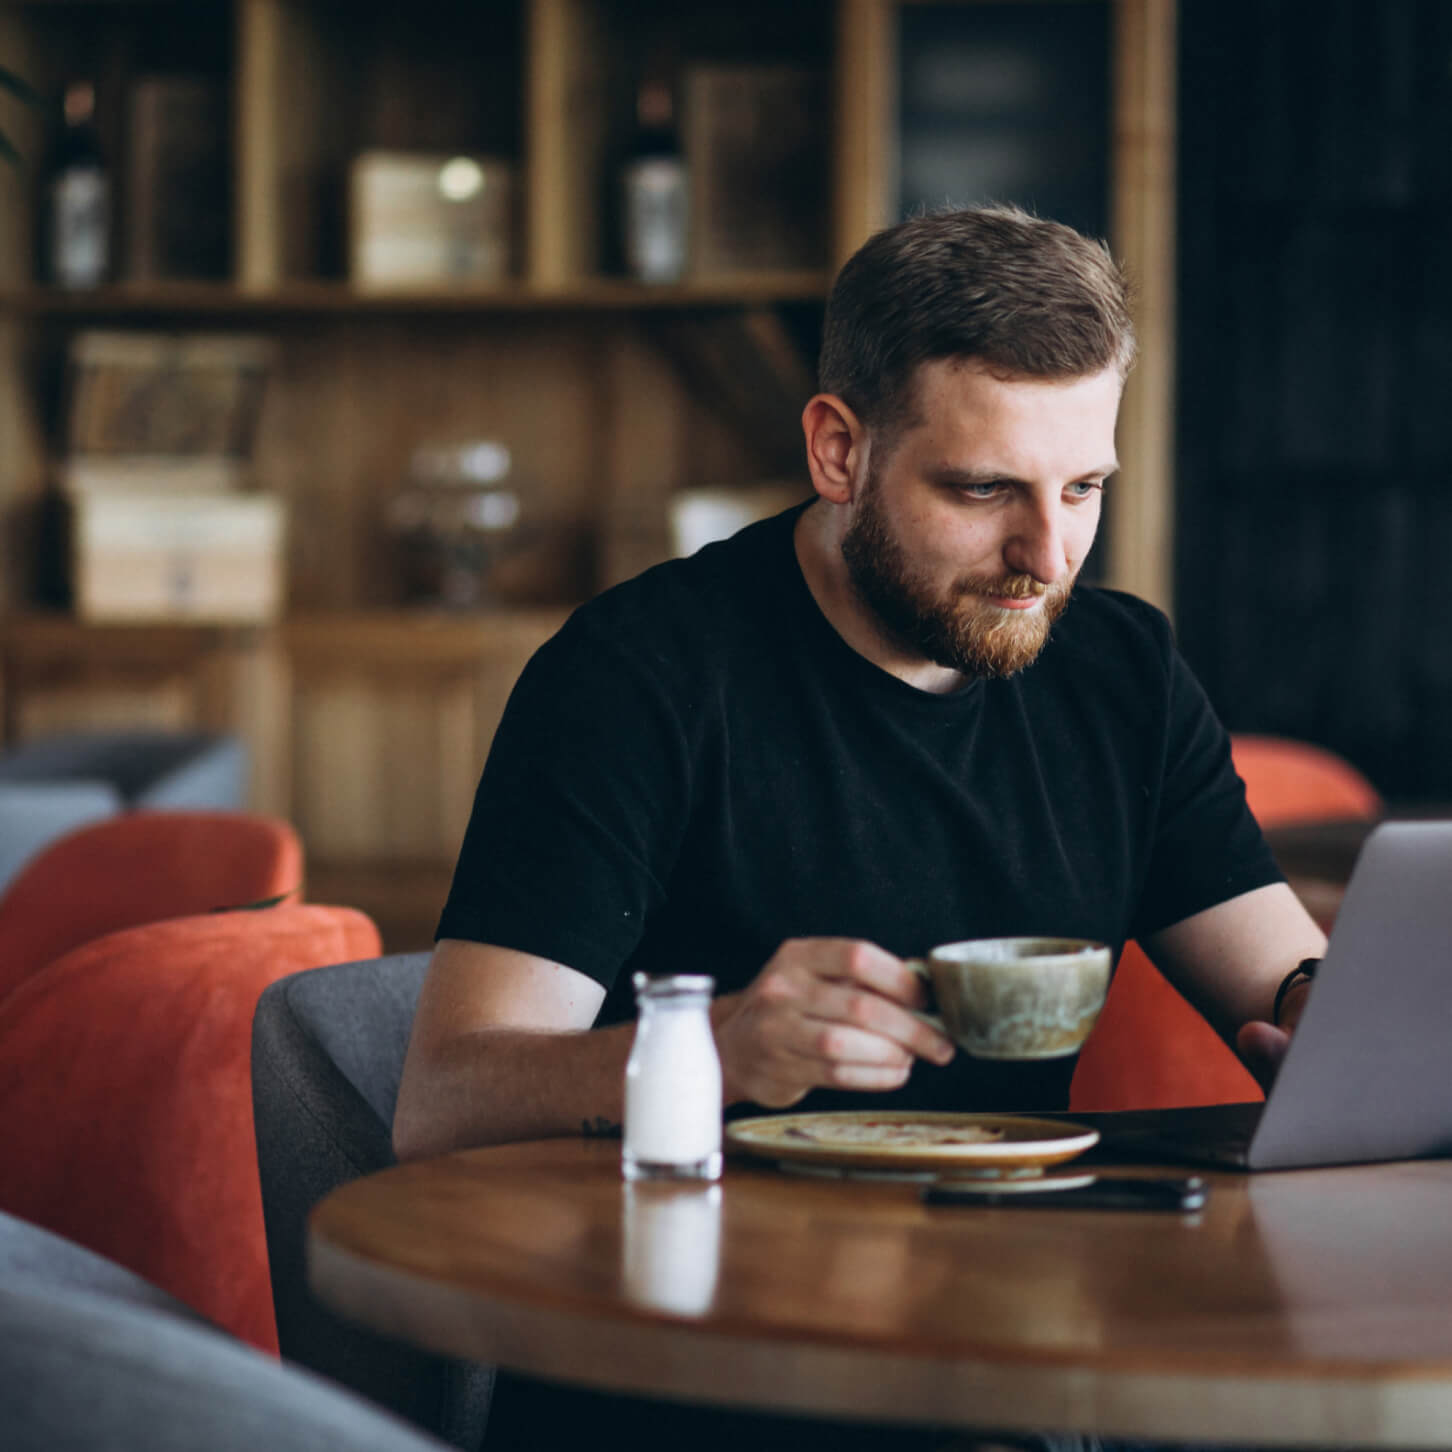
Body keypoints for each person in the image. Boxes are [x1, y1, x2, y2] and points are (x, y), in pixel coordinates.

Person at [393, 203, 1326, 1165]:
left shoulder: (1123, 672)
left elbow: (1290, 981)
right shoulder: (633, 678)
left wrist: (1321, 1012)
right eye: (983, 489)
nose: (1047, 558)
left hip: (1030, 1273)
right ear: (840, 451)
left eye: (1083, 488)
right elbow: (444, 1100)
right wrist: (717, 1048)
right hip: (703, 1275)